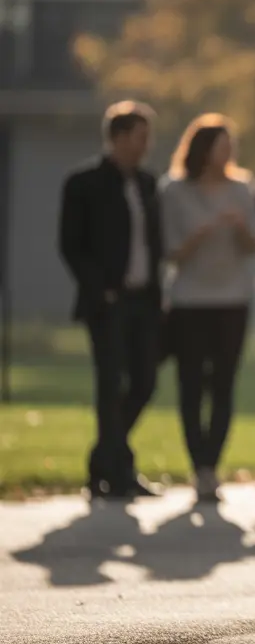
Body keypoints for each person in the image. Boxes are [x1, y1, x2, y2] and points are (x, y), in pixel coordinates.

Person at [58, 100, 164, 501]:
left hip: (144, 301)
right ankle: (118, 472)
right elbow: (71, 244)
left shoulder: (148, 184)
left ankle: (104, 461)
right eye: (140, 137)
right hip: (108, 302)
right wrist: (99, 285)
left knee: (144, 382)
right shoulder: (83, 183)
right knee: (110, 383)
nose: (146, 146)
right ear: (118, 137)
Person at [160, 114, 255, 503]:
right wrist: (198, 235)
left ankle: (210, 466)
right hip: (189, 300)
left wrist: (239, 229)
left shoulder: (242, 188)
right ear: (203, 149)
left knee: (223, 384)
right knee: (190, 383)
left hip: (232, 299)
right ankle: (197, 462)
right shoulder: (174, 191)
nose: (228, 154)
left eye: (231, 147)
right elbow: (171, 252)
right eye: (222, 146)